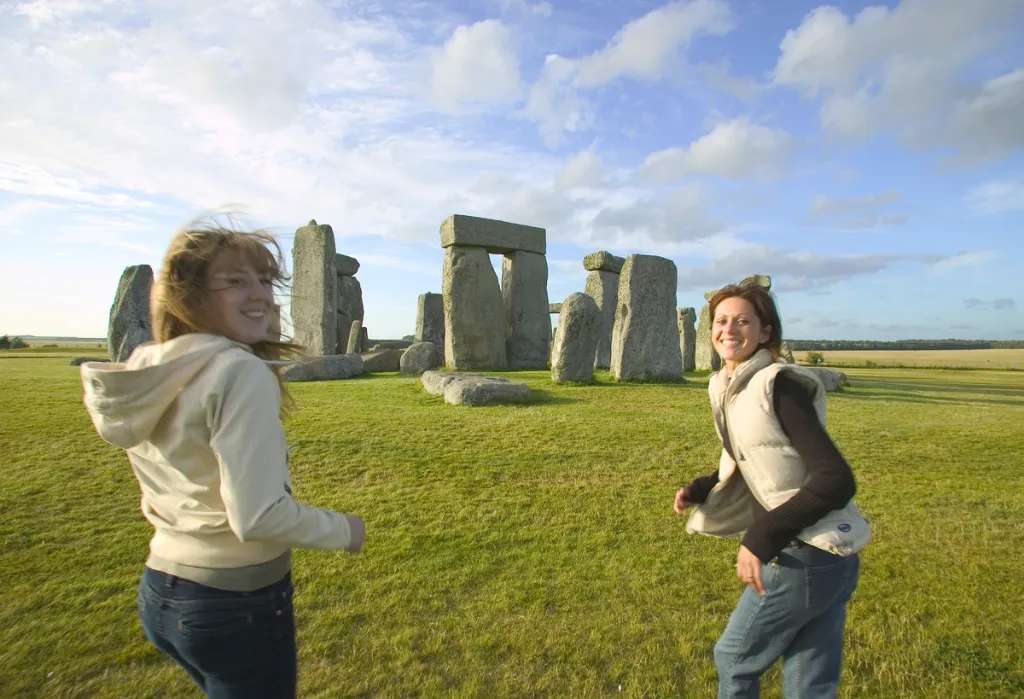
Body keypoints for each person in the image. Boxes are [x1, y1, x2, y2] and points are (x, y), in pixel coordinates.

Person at [81, 221, 365, 698]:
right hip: (234, 601)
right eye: (234, 281)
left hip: (162, 590)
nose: (262, 296)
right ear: (188, 296)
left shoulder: (150, 367)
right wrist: (347, 530)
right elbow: (256, 517)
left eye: (265, 281)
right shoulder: (237, 372)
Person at [673, 283, 870, 699]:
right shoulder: (728, 383)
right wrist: (703, 487)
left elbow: (834, 479)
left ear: (765, 332)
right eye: (721, 321)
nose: (729, 329)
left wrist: (761, 539)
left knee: (733, 656)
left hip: (805, 553)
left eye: (743, 320)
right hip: (831, 560)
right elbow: (753, 453)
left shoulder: (777, 384)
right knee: (808, 683)